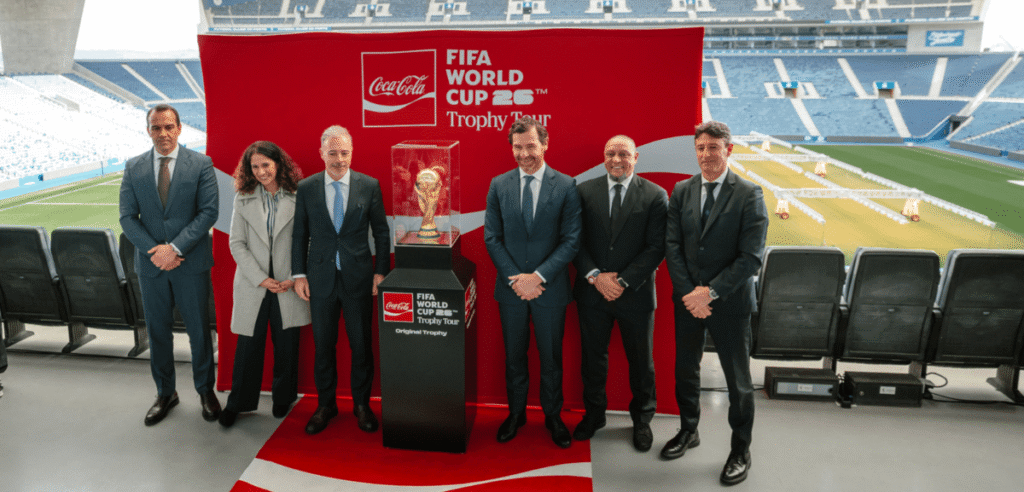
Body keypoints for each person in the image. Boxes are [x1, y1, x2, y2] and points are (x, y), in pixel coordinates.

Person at [662, 121, 768, 485]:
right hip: (688, 301)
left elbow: (751, 257)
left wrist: (709, 292)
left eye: (713, 147)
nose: (706, 154)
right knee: (685, 371)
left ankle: (741, 450)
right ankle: (688, 430)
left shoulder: (749, 194)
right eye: (700, 148)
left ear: (728, 149)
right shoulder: (682, 190)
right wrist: (690, 293)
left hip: (730, 303)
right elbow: (672, 246)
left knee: (738, 382)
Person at [119, 104, 220, 426]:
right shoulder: (133, 167)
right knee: (158, 332)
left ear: (179, 128)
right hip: (152, 266)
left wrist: (175, 248)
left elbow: (208, 212)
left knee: (199, 332)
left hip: (190, 263)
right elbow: (127, 217)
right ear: (148, 130)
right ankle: (165, 393)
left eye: (168, 127)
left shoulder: (201, 164)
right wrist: (156, 251)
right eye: (156, 127)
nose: (162, 133)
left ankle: (205, 391)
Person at [484, 116, 582, 449]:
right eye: (518, 147)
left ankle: (553, 417)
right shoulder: (499, 185)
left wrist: (538, 277)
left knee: (551, 358)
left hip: (549, 288)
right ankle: (516, 414)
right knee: (514, 357)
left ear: (545, 144)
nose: (524, 153)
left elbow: (571, 240)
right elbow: (492, 237)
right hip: (511, 289)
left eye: (530, 146)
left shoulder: (566, 185)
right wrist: (517, 279)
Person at [292, 125, 391, 435]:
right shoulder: (306, 187)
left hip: (359, 280)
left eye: (344, 153)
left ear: (352, 152)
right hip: (319, 280)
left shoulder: (369, 185)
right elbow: (299, 234)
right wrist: (298, 274)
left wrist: (380, 272)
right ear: (321, 153)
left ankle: (361, 405)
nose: (339, 159)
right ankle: (326, 405)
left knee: (361, 345)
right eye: (332, 153)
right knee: (324, 346)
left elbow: (382, 232)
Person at [572, 135, 667, 452]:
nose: (616, 159)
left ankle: (642, 420)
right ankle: (594, 415)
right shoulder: (584, 192)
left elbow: (656, 247)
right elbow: (574, 241)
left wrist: (622, 281)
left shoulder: (655, 195)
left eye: (623, 154)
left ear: (636, 157)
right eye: (610, 153)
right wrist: (595, 277)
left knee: (641, 363)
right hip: (592, 294)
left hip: (636, 296)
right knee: (592, 360)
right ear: (603, 157)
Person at [219, 141, 310, 428]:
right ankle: (238, 403)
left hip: (288, 283)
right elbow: (236, 243)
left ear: (278, 164)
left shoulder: (300, 195)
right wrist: (261, 278)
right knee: (248, 347)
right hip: (254, 283)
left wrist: (296, 275)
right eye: (255, 166)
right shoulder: (243, 198)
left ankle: (283, 398)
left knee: (287, 346)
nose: (260, 172)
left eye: (265, 165)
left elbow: (309, 239)